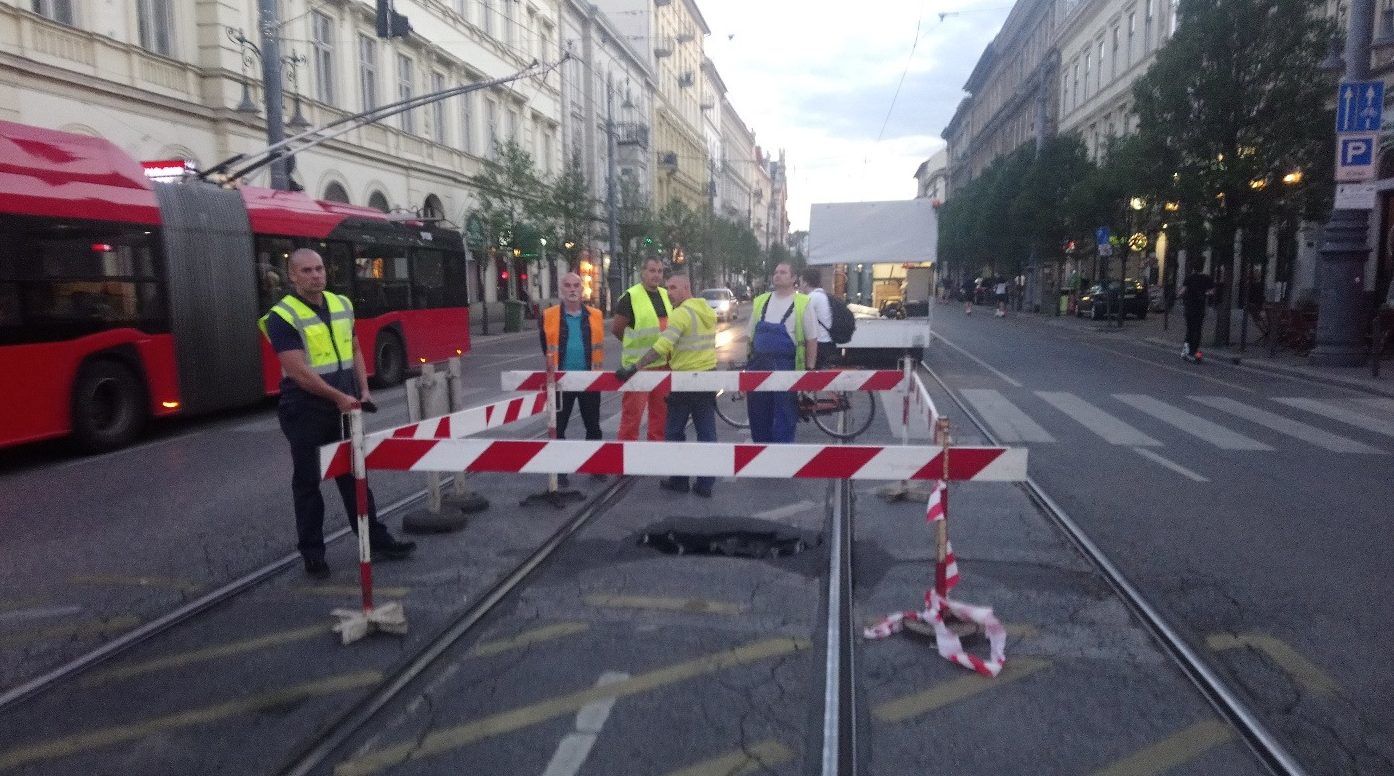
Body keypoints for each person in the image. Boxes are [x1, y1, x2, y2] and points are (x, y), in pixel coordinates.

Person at [259, 248, 415, 579]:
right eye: (307, 270)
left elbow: (354, 348)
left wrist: (364, 389)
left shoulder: (341, 304)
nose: (316, 275)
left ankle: (375, 539)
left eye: (319, 269)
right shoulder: (282, 316)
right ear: (293, 276)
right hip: (304, 409)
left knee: (354, 475)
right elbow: (298, 372)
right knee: (308, 482)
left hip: (342, 407)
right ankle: (313, 554)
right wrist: (339, 397)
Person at [616, 274, 718, 497]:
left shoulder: (681, 313)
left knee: (673, 431)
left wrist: (635, 367)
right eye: (667, 288)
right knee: (707, 433)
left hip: (684, 381)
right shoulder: (707, 310)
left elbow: (662, 346)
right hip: (707, 378)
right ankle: (705, 484)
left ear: (686, 288)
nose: (669, 292)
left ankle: (679, 480)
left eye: (673, 288)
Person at [540, 272, 604, 487]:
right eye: (567, 285)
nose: (572, 289)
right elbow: (545, 345)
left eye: (576, 285)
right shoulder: (548, 315)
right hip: (560, 381)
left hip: (589, 379)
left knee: (593, 426)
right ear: (561, 289)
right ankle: (560, 470)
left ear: (582, 289)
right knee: (559, 427)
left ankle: (596, 466)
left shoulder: (596, 315)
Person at [746, 262, 818, 443]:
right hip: (758, 366)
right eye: (776, 272)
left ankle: (782, 461)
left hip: (786, 368)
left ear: (794, 278)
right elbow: (750, 337)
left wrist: (809, 371)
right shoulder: (761, 301)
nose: (777, 275)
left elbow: (811, 340)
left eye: (783, 272)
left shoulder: (803, 303)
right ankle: (761, 459)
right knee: (758, 417)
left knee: (784, 418)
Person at [611, 257, 672, 441]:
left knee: (660, 418)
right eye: (652, 270)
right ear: (642, 273)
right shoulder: (630, 297)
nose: (656, 275)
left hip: (663, 365)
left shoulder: (665, 294)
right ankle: (626, 462)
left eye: (660, 271)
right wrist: (634, 345)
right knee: (632, 418)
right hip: (638, 368)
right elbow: (617, 329)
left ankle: (654, 459)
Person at [799, 267, 836, 369]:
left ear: (806, 283)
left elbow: (800, 318)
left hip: (818, 343)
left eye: (801, 281)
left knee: (814, 376)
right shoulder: (822, 295)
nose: (800, 285)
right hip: (827, 341)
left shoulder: (811, 298)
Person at [1179, 265, 1214, 361]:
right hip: (1200, 307)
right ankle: (1195, 352)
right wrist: (1204, 294)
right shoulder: (1207, 278)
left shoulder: (1189, 278)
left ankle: (1186, 352)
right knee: (1198, 330)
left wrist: (1179, 295)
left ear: (1194, 267)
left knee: (1189, 330)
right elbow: (1211, 292)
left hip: (1190, 307)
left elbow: (1182, 291)